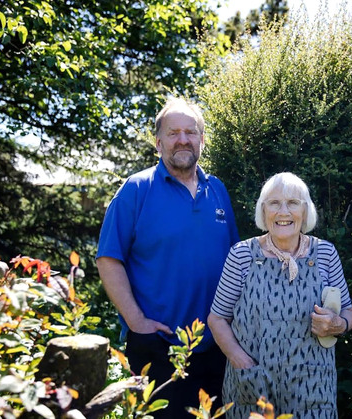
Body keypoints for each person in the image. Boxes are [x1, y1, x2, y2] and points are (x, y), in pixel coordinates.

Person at [96, 97, 239, 418]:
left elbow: (235, 261)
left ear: (202, 140)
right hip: (158, 346)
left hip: (216, 346)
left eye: (191, 132)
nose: (183, 139)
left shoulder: (217, 190)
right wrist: (137, 322)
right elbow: (108, 259)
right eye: (173, 133)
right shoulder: (136, 189)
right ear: (158, 142)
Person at [208, 172, 352, 418]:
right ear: (263, 211)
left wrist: (338, 324)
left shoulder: (326, 254)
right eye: (274, 203)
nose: (283, 212)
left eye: (293, 203)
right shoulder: (242, 255)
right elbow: (217, 319)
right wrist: (242, 363)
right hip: (253, 389)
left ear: (305, 211)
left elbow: (349, 312)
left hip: (313, 391)